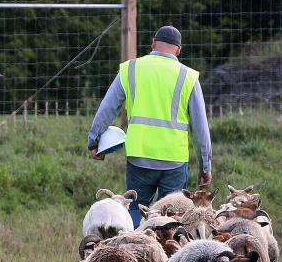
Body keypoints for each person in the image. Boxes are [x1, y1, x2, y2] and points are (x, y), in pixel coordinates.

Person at [87, 25, 212, 227]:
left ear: (153, 43)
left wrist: (94, 141)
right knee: (172, 217)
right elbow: (201, 129)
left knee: (135, 209)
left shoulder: (131, 69)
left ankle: (135, 253)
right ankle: (166, 256)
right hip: (174, 160)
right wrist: (205, 166)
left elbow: (107, 108)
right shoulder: (188, 77)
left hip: (140, 157)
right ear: (179, 50)